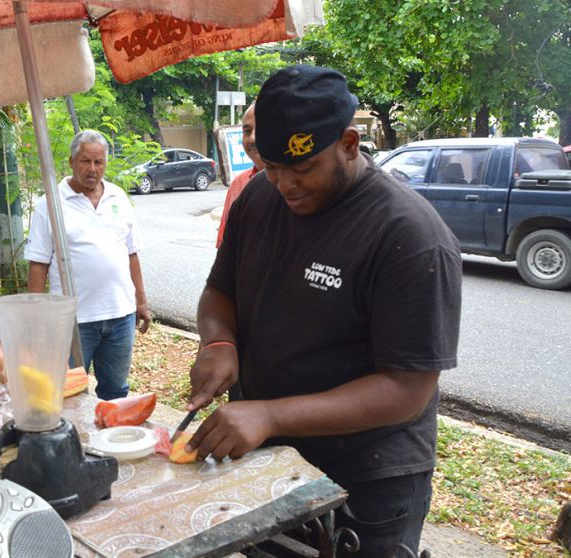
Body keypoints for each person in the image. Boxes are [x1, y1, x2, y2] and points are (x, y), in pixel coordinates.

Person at [187, 65, 462, 556]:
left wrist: (270, 414)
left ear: (350, 144)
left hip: (366, 476)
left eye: (303, 168)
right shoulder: (257, 197)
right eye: (271, 167)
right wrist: (220, 341)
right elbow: (218, 290)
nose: (285, 184)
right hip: (268, 455)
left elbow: (406, 390)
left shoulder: (409, 236)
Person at [25, 130, 151, 400]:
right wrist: (36, 319)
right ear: (71, 161)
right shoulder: (50, 203)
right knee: (68, 393)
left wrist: (141, 302)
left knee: (116, 391)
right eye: (85, 161)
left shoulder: (118, 197)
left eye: (99, 162)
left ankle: (108, 441)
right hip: (73, 322)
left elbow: (131, 253)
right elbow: (38, 264)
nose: (93, 169)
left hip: (120, 317)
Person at [216, 102, 262, 248]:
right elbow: (225, 247)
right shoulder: (239, 183)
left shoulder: (297, 184)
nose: (253, 138)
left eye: (262, 129)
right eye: (247, 131)